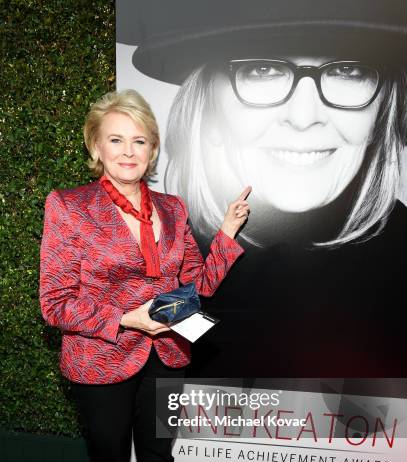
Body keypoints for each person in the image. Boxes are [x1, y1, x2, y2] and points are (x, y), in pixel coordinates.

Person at [117, 0, 407, 376]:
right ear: (210, 110)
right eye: (262, 69)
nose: (304, 118)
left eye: (348, 70)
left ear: (383, 109)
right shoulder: (157, 245)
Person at [39, 89, 249, 462]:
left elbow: (195, 286)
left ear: (153, 150)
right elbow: (55, 302)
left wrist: (225, 232)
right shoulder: (70, 207)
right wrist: (127, 319)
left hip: (168, 354)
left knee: (158, 457)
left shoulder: (173, 209)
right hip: (101, 359)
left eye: (140, 140)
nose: (129, 151)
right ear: (97, 146)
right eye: (116, 139)